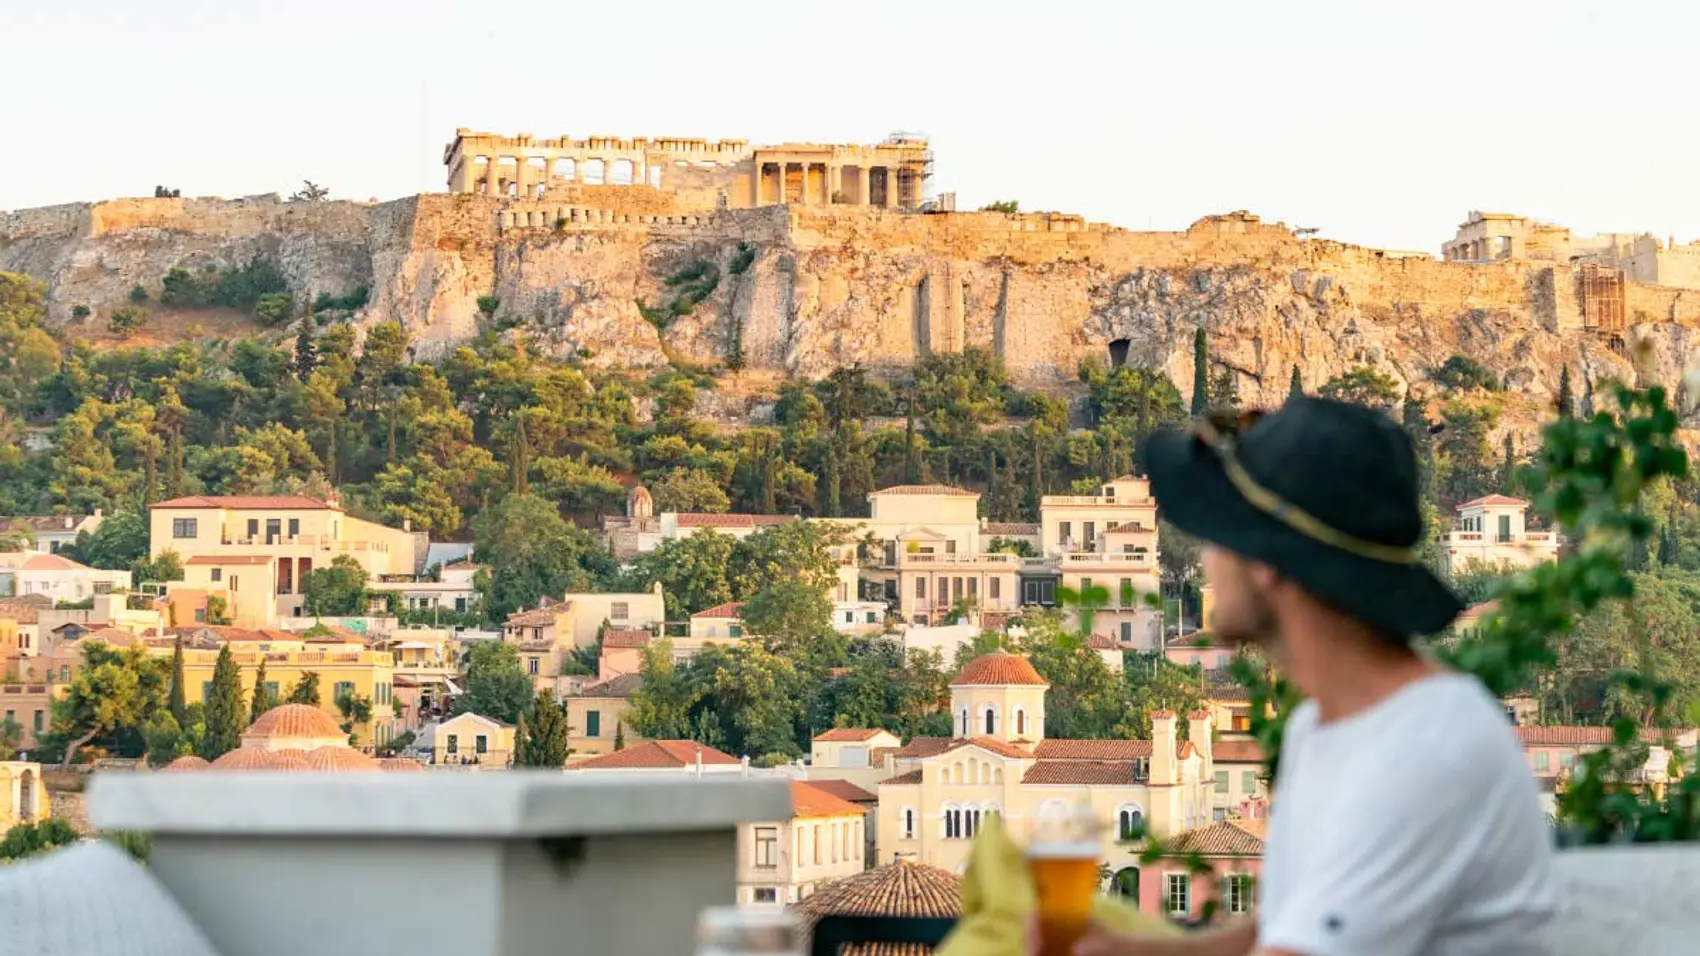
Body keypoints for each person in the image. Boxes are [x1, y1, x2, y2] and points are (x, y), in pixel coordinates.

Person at [1073, 397, 1555, 956]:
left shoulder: (1431, 745)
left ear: (1269, 563)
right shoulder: (1322, 726)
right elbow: (1289, 926)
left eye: (1219, 531)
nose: (1205, 559)